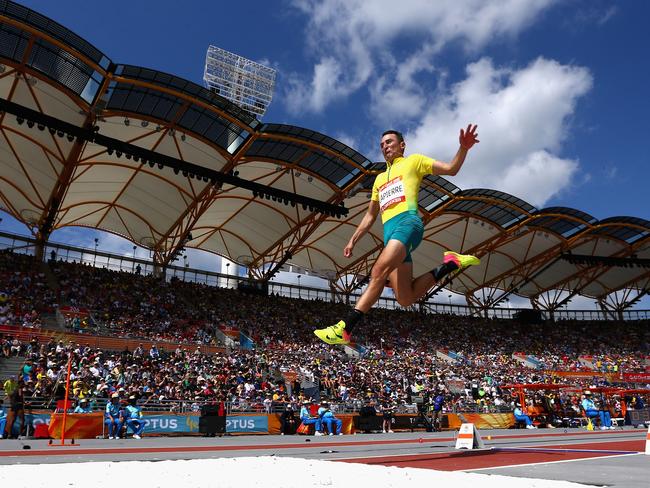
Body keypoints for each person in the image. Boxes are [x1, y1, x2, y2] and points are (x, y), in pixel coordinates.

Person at [315, 126, 480, 344]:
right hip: (390, 234)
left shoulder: (414, 162)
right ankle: (450, 263)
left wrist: (463, 148)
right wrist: (353, 239)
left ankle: (345, 328)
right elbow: (370, 216)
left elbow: (451, 169)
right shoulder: (379, 180)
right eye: (382, 144)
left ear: (402, 145)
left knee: (378, 270)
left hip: (408, 223)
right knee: (405, 298)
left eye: (390, 142)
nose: (385, 147)